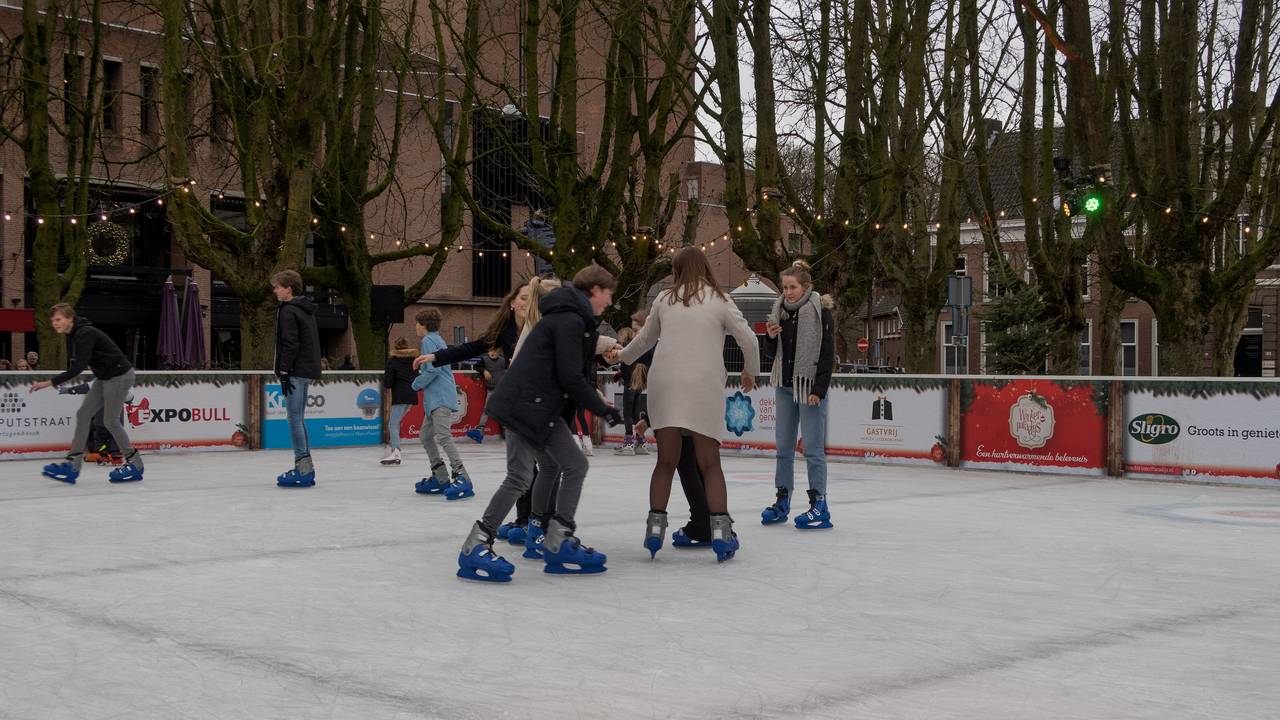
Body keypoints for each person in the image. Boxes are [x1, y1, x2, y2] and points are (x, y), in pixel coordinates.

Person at [456, 265, 623, 582]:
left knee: (563, 465)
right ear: (596, 291)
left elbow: (574, 369)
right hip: (524, 407)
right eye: (609, 295)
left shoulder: (572, 319)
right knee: (523, 477)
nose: (610, 302)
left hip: (539, 409)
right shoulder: (569, 319)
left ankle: (554, 538)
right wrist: (600, 406)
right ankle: (477, 543)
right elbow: (570, 376)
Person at [619, 247, 760, 562]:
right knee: (709, 463)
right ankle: (721, 533)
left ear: (677, 270)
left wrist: (622, 356)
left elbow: (644, 341)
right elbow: (748, 339)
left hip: (664, 383)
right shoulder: (719, 299)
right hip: (703, 384)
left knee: (665, 462)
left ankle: (654, 530)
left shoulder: (664, 300)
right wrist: (750, 370)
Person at [28, 303, 142, 484]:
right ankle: (73, 466)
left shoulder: (84, 333)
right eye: (53, 320)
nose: (54, 323)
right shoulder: (77, 334)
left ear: (69, 318)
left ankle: (135, 464)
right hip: (104, 377)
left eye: (58, 319)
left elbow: (78, 367)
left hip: (119, 376)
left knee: (110, 421)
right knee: (83, 414)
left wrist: (49, 382)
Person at [760, 260, 836, 529]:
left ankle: (819, 505)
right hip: (784, 385)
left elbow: (827, 354)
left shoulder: (820, 312)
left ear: (806, 287)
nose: (788, 292)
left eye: (792, 287)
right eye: (785, 287)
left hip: (810, 388)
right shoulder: (779, 311)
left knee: (813, 450)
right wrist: (769, 338)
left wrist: (818, 390)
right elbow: (771, 355)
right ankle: (782, 500)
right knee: (783, 448)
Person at [411, 308, 472, 499]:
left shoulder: (428, 340)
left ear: (423, 325)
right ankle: (441, 476)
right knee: (426, 436)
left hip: (440, 398)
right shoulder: (437, 339)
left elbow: (432, 370)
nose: (415, 327)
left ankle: (463, 477)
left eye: (417, 323)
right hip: (435, 399)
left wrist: (415, 384)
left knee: (443, 437)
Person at [272, 269, 323, 488]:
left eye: (278, 287)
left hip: (295, 370)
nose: (275, 291)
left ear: (288, 289)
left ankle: (303, 468)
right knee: (298, 418)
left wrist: (284, 370)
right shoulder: (305, 310)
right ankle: (306, 467)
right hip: (306, 369)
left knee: (294, 419)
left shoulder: (288, 310)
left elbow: (290, 342)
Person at [615, 310, 655, 455]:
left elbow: (625, 365)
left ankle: (629, 442)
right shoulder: (646, 346)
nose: (634, 333)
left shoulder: (640, 347)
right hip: (638, 385)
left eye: (636, 330)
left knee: (627, 413)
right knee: (636, 413)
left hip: (631, 384)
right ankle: (639, 441)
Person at [380, 337, 419, 466]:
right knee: (395, 423)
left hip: (400, 397)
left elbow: (388, 382)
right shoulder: (413, 360)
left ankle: (396, 451)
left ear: (395, 347)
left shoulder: (393, 361)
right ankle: (391, 448)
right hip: (411, 396)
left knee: (392, 424)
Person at [473, 345, 507, 441]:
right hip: (491, 390)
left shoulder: (503, 360)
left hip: (502, 390)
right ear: (488, 352)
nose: (493, 353)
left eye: (495, 351)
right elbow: (476, 366)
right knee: (487, 410)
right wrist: (484, 371)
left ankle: (505, 431)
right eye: (491, 351)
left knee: (503, 411)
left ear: (499, 352)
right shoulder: (484, 360)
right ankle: (479, 431)